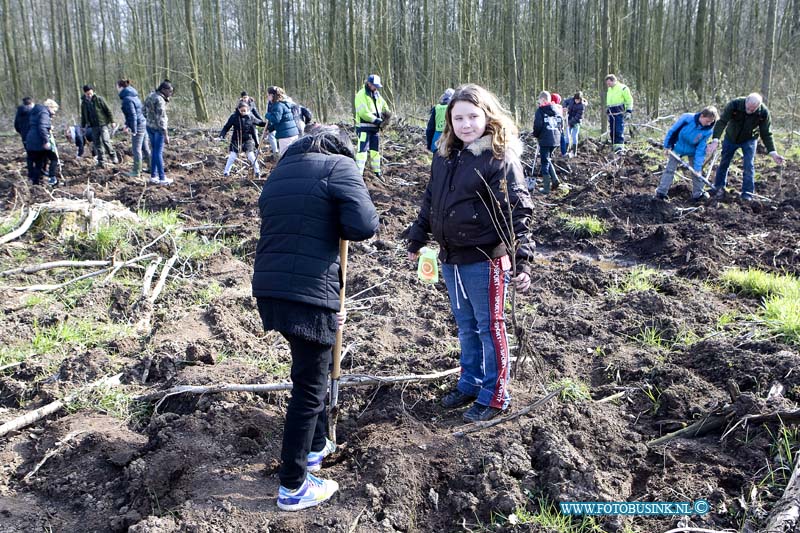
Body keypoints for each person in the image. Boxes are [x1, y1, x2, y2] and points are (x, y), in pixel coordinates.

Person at [252, 125, 379, 511]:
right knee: (309, 387)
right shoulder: (340, 166)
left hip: (272, 287)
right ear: (338, 147)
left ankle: (315, 447)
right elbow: (364, 225)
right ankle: (292, 485)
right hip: (308, 290)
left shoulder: (282, 168)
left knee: (309, 370)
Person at [406, 84, 534, 422]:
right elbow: (431, 200)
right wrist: (417, 238)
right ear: (449, 120)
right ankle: (471, 381)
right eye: (458, 117)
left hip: (485, 258)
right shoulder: (445, 154)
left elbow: (517, 213)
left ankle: (496, 395)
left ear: (488, 116)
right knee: (465, 324)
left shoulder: (498, 158)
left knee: (490, 326)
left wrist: (523, 261)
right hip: (451, 257)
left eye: (473, 117)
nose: (465, 124)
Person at [707, 93, 785, 201]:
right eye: (748, 108)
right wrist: (715, 139)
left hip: (749, 140)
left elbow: (766, 133)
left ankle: (747, 194)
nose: (750, 111)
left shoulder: (763, 112)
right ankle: (719, 188)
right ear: (746, 102)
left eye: (753, 110)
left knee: (749, 165)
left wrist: (773, 152)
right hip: (731, 137)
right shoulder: (735, 104)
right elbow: (722, 121)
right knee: (724, 162)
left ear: (758, 106)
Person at [655, 106, 719, 201]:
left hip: (692, 151)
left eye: (711, 122)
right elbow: (673, 131)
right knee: (670, 169)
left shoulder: (708, 131)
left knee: (697, 173)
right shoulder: (687, 118)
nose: (709, 124)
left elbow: (700, 149)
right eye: (707, 121)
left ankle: (698, 194)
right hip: (677, 146)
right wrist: (667, 146)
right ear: (702, 116)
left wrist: (697, 168)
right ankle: (661, 193)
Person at [353, 74, 390, 177]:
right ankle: (358, 174)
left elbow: (384, 105)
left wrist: (387, 114)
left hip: (375, 129)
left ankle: (376, 171)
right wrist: (378, 121)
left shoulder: (377, 95)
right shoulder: (361, 95)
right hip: (364, 128)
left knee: (375, 151)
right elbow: (363, 113)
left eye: (377, 86)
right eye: (375, 86)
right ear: (369, 84)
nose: (376, 88)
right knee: (362, 152)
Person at [219, 101, 266, 177]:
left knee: (251, 155)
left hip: (248, 139)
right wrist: (222, 135)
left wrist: (267, 123)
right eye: (242, 111)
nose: (243, 112)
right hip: (236, 139)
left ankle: (257, 172)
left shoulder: (251, 116)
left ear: (247, 109)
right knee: (232, 156)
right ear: (238, 109)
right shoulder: (234, 117)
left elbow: (259, 123)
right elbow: (226, 127)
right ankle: (226, 172)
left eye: (245, 110)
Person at [117, 79, 151, 177]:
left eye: (117, 87)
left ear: (120, 87)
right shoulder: (134, 95)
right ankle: (151, 167)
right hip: (143, 122)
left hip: (139, 125)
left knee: (136, 149)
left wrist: (134, 129)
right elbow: (132, 114)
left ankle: (136, 171)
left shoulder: (127, 99)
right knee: (145, 147)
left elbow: (133, 115)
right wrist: (127, 125)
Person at [532, 91, 563, 194]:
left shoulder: (540, 111)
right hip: (555, 139)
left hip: (545, 139)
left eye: (539, 101)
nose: (539, 103)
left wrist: (536, 135)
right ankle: (555, 180)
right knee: (548, 159)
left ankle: (546, 188)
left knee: (545, 162)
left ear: (543, 100)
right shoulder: (557, 109)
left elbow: (538, 125)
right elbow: (561, 124)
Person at [144, 79, 174, 185]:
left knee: (154, 151)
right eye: (169, 91)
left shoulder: (150, 96)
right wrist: (165, 134)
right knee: (158, 152)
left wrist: (149, 121)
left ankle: (153, 176)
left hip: (149, 126)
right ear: (163, 89)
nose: (170, 93)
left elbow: (144, 111)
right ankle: (162, 177)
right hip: (158, 129)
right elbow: (161, 118)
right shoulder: (160, 100)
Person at [80, 84, 118, 167]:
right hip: (93, 126)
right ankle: (101, 161)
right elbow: (83, 116)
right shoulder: (84, 103)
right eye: (87, 94)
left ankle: (113, 156)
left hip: (103, 124)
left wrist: (112, 121)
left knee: (105, 140)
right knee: (97, 144)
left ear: (93, 92)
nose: (89, 95)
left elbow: (108, 111)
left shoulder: (99, 100)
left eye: (90, 93)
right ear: (85, 93)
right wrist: (83, 126)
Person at [25, 99, 60, 186]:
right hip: (39, 141)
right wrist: (46, 141)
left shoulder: (35, 112)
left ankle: (35, 183)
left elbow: (37, 125)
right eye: (54, 110)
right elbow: (42, 127)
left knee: (38, 163)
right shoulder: (44, 113)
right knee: (53, 158)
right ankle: (52, 178)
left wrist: (49, 127)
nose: (54, 113)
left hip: (30, 140)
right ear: (50, 107)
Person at [266, 86, 300, 156]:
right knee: (293, 154)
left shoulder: (278, 105)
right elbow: (282, 121)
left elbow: (276, 119)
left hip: (286, 136)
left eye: (268, 95)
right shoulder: (284, 104)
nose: (267, 97)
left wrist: (267, 115)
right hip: (292, 133)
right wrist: (270, 129)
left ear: (272, 95)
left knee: (285, 156)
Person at [605, 74, 633, 152]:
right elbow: (610, 101)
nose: (608, 85)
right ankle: (614, 146)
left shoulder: (623, 88)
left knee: (618, 130)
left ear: (614, 81)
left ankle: (620, 147)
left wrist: (628, 111)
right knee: (612, 131)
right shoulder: (610, 89)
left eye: (609, 83)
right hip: (611, 114)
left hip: (619, 113)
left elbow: (629, 100)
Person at [425, 88, 455, 152]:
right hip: (451, 137)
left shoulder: (436, 108)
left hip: (437, 138)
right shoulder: (455, 107)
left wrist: (429, 144)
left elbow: (430, 129)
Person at [15, 96, 35, 179]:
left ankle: (30, 174)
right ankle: (39, 173)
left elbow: (16, 125)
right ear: (31, 102)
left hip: (25, 137)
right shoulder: (33, 112)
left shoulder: (19, 112)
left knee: (29, 155)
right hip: (34, 136)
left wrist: (22, 133)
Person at [563, 92, 586, 157]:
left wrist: (570, 123)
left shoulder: (582, 106)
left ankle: (574, 152)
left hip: (576, 122)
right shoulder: (571, 100)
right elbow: (565, 102)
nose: (576, 101)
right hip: (569, 119)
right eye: (575, 99)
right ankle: (565, 151)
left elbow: (578, 117)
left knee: (574, 136)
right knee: (567, 136)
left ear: (580, 99)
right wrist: (564, 107)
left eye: (578, 100)